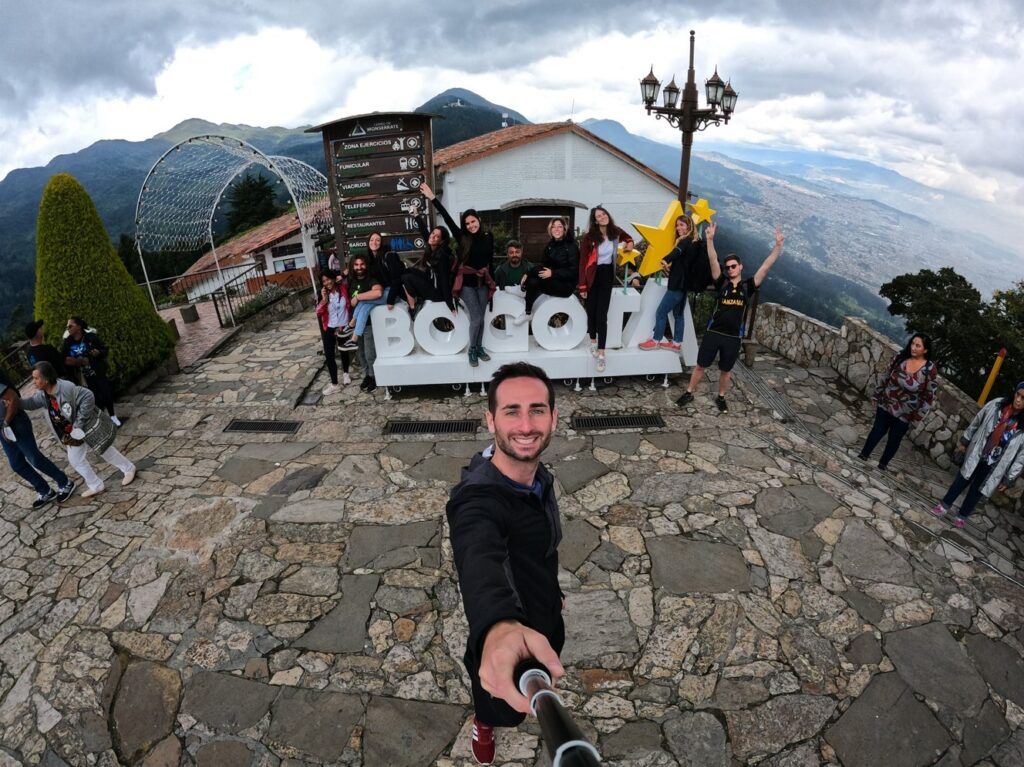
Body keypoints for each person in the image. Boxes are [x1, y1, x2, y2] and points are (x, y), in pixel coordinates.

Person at [447, 362, 566, 765]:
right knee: (500, 702)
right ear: (490, 419)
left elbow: (542, 546)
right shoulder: (476, 500)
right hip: (508, 621)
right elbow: (478, 555)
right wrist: (497, 626)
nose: (526, 424)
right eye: (511, 411)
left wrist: (555, 590)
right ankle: (483, 720)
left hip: (546, 612)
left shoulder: (538, 476)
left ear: (554, 417)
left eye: (537, 409)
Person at [676, 221, 784, 413]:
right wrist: (709, 240)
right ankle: (689, 392)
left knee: (726, 370)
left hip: (733, 337)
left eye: (733, 266)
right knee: (701, 365)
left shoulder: (748, 286)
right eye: (727, 267)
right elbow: (712, 260)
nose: (730, 269)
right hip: (714, 332)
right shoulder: (722, 283)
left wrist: (777, 247)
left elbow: (765, 267)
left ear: (741, 267)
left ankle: (721, 397)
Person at [21, 362, 135, 498]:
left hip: (85, 427)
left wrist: (79, 423)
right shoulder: (43, 394)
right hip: (71, 434)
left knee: (104, 450)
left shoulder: (66, 388)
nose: (34, 382)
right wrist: (16, 402)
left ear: (46, 379)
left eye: (36, 378)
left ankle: (128, 469)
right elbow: (32, 403)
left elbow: (88, 396)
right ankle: (96, 485)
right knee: (75, 460)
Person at [421, 182, 496, 367]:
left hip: (483, 283)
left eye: (473, 221)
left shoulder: (488, 237)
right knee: (477, 317)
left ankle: (479, 347)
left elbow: (490, 262)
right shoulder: (462, 237)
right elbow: (446, 218)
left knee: (482, 318)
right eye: (467, 223)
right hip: (465, 283)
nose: (471, 225)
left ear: (479, 219)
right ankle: (472, 349)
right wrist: (432, 198)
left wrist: (493, 286)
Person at [931, 383, 1024, 528]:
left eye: (1023, 398)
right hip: (979, 451)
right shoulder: (997, 405)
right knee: (961, 479)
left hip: (994, 464)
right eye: (1017, 395)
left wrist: (1008, 479)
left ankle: (962, 516)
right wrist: (965, 441)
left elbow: (1021, 457)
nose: (1018, 400)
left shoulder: (1022, 427)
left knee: (977, 490)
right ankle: (944, 505)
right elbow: (977, 421)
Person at [858, 334, 939, 469]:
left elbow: (929, 395)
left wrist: (919, 415)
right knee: (877, 430)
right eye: (913, 343)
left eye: (918, 346)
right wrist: (876, 395)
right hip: (886, 403)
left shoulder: (929, 370)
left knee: (894, 439)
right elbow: (886, 376)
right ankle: (864, 455)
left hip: (906, 413)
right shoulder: (900, 358)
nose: (913, 347)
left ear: (925, 350)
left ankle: (883, 465)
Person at [1, 369, 76, 508]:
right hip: (3, 429)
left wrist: (6, 422)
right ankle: (45, 490)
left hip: (14, 423)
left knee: (34, 458)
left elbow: (13, 398)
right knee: (16, 464)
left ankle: (65, 482)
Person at [578, 206, 634, 373]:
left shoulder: (614, 231)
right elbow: (582, 263)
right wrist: (582, 285)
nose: (602, 217)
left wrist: (629, 244)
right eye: (598, 216)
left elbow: (628, 237)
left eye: (603, 214)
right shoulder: (589, 238)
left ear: (607, 215)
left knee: (602, 315)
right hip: (591, 276)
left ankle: (602, 354)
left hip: (607, 275)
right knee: (592, 312)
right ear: (595, 220)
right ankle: (593, 341)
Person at [638, 215, 703, 353]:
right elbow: (683, 263)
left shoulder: (685, 241)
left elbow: (676, 252)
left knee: (661, 312)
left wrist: (665, 259)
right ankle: (677, 343)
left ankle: (656, 341)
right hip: (684, 285)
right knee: (678, 315)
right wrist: (670, 267)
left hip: (677, 286)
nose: (679, 228)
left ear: (689, 226)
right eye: (677, 225)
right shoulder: (694, 242)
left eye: (682, 225)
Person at [513, 218, 579, 328]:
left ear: (564, 229)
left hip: (566, 286)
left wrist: (553, 273)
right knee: (533, 281)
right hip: (553, 281)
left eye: (559, 226)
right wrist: (529, 274)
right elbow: (543, 265)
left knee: (533, 279)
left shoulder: (571, 246)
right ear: (550, 230)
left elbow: (573, 272)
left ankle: (522, 289)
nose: (556, 229)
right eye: (553, 227)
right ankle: (528, 313)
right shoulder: (550, 245)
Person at [62, 316, 120, 426]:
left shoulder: (91, 337)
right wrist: (74, 362)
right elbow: (63, 358)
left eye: (70, 326)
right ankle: (103, 420)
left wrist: (98, 353)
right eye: (67, 327)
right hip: (82, 377)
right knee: (94, 398)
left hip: (97, 371)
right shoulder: (67, 343)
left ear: (78, 326)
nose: (68, 328)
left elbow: (104, 350)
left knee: (106, 393)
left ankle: (113, 416)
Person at [402, 209, 456, 314]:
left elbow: (444, 280)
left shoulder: (442, 257)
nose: (433, 236)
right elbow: (425, 232)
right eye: (433, 233)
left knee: (406, 278)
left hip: (438, 292)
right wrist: (416, 216)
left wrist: (450, 305)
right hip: (431, 281)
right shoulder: (433, 247)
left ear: (441, 241)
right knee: (407, 271)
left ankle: (414, 306)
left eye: (437, 236)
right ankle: (417, 299)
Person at [345, 255, 382, 392]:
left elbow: (378, 292)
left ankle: (374, 377)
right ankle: (367, 374)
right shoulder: (350, 281)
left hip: (369, 324)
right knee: (360, 353)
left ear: (366, 265)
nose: (359, 267)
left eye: (362, 264)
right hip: (355, 326)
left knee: (369, 353)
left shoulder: (371, 280)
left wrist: (358, 297)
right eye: (356, 265)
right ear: (352, 266)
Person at [315, 269, 353, 395]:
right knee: (329, 355)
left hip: (343, 326)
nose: (327, 282)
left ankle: (346, 373)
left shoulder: (343, 289)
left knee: (344, 352)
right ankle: (335, 384)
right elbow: (318, 312)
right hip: (329, 328)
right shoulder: (322, 295)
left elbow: (344, 278)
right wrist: (324, 300)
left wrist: (344, 274)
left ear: (333, 278)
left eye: (328, 279)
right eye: (324, 281)